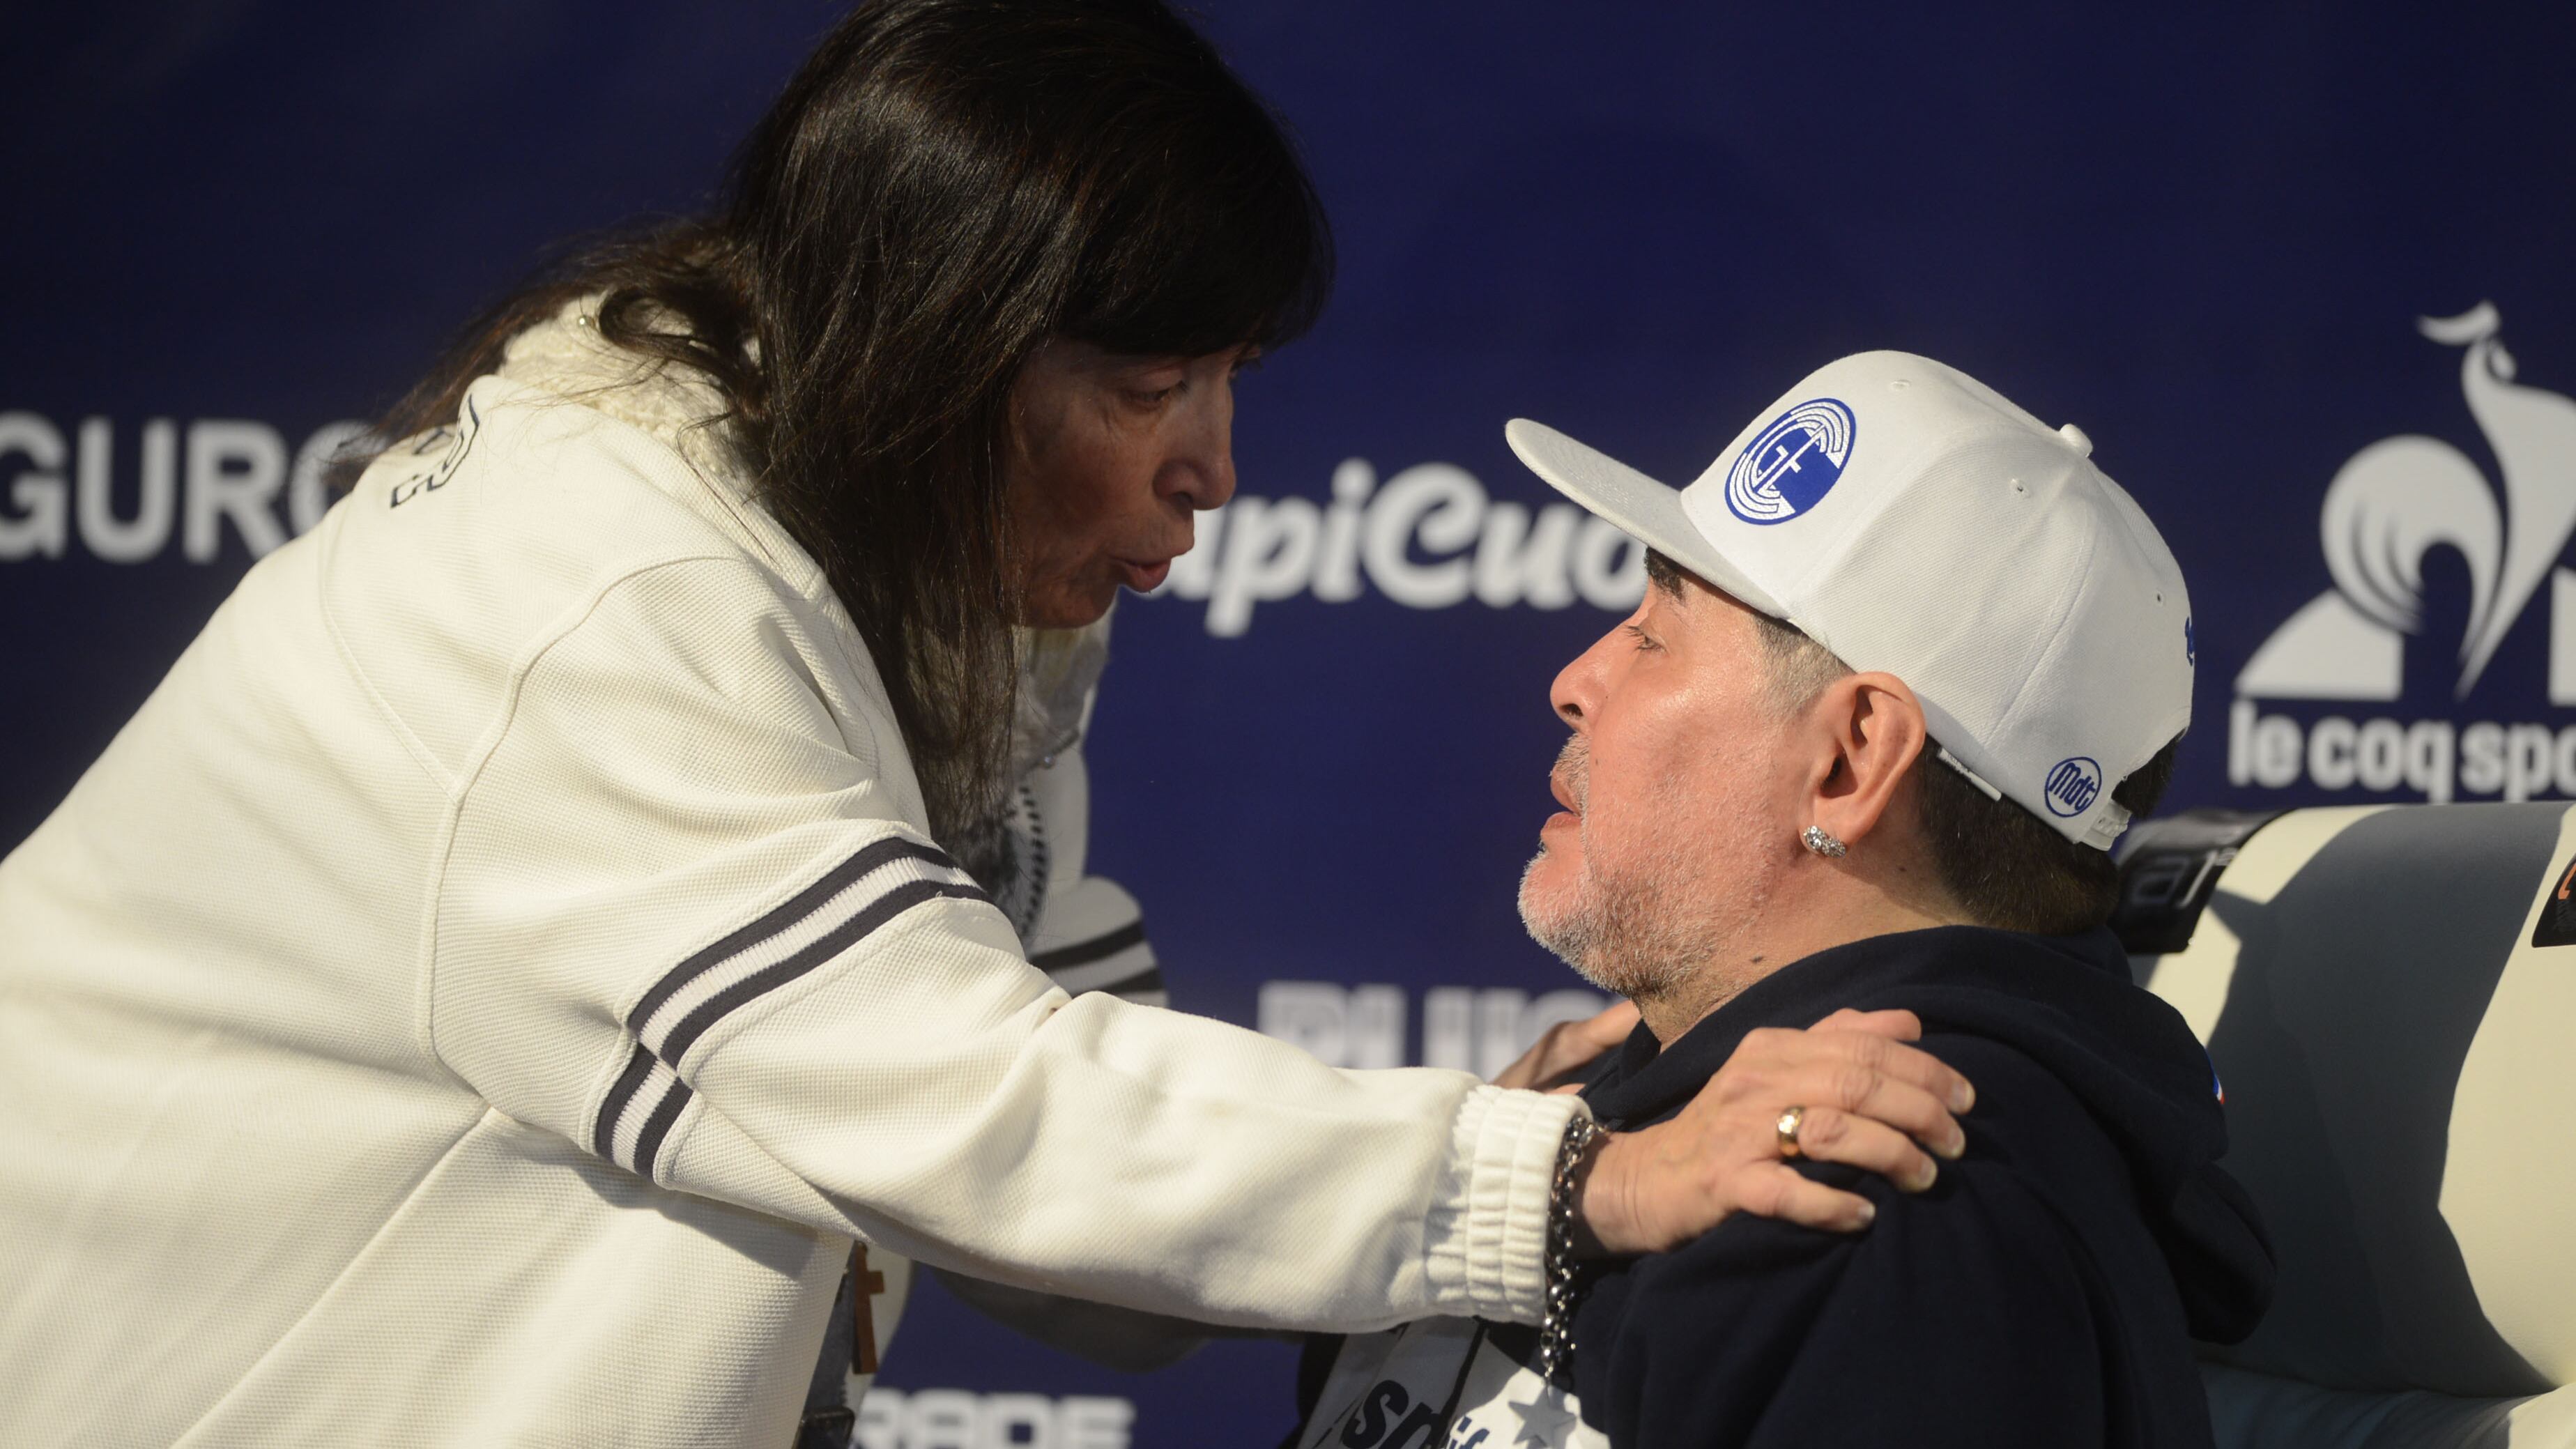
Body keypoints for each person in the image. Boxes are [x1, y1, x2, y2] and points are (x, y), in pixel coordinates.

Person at [0, 6, 1981, 1447]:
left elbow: (1063, 1214)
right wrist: (1560, 1185)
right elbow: (982, 1106)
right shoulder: (596, 615)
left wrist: (1499, 1152)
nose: (1215, 466)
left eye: (1228, 375)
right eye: (1151, 384)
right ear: (945, 345)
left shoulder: (897, 584)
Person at [1290, 351, 2276, 1449]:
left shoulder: (1884, 1215)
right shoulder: (1628, 1118)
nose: (1574, 682)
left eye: (1654, 635)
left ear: (1850, 762)